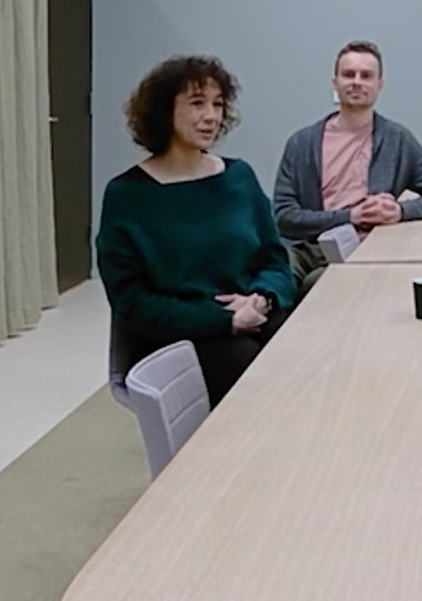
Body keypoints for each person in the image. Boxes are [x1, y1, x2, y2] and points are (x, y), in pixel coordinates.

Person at [96, 55, 297, 408]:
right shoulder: (128, 195)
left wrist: (262, 297)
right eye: (196, 103)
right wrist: (224, 320)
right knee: (250, 368)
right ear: (164, 110)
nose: (211, 116)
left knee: (304, 348)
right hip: (177, 335)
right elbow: (133, 304)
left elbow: (275, 258)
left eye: (218, 104)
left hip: (252, 313)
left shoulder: (239, 177)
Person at [272, 40, 422, 289]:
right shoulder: (301, 143)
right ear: (335, 82)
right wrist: (350, 215)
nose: (357, 81)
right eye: (348, 75)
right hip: (303, 248)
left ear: (379, 85)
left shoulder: (396, 139)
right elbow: (284, 216)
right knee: (274, 287)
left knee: (319, 286)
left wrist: (399, 212)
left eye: (366, 76)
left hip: (361, 249)